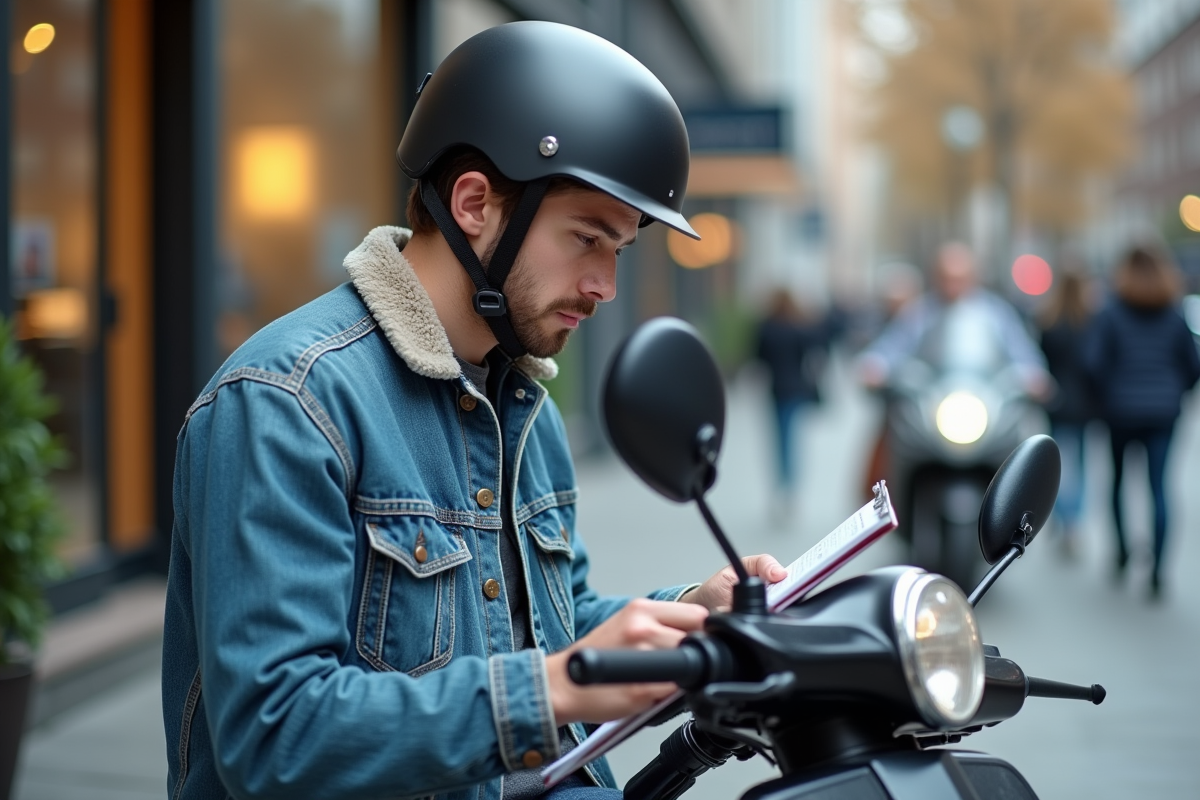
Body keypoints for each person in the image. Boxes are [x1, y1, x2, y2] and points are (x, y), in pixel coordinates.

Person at [161, 22, 788, 800]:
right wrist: (551, 691)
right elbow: (275, 735)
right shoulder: (287, 401)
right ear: (473, 204)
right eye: (586, 239)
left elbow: (547, 626)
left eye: (618, 251)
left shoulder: (523, 399)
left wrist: (689, 613)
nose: (606, 286)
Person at [1084, 246, 1200, 599]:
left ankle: (1122, 553)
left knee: (1118, 482)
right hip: (1163, 411)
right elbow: (1193, 364)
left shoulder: (1111, 313)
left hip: (1120, 410)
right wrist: (1174, 390)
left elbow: (1092, 362)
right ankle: (1158, 569)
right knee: (1159, 488)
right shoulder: (1174, 313)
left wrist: (1107, 393)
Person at [858, 242, 1048, 393]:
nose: (952, 287)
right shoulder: (919, 312)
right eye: (946, 278)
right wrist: (875, 366)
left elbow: (1020, 350)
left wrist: (1033, 376)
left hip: (985, 400)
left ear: (973, 278)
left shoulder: (996, 313)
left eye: (959, 279)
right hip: (932, 399)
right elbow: (893, 345)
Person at [755, 288, 831, 522]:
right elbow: (817, 351)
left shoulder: (766, 328)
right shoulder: (798, 328)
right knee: (792, 440)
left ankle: (781, 487)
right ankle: (790, 489)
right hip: (795, 390)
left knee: (779, 440)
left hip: (776, 391)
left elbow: (758, 357)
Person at [1037, 270, 1097, 556]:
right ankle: (1074, 519)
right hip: (1084, 402)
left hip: (1057, 400)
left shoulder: (1049, 321)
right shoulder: (1091, 321)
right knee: (1081, 463)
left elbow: (1041, 361)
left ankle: (1062, 517)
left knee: (1056, 464)